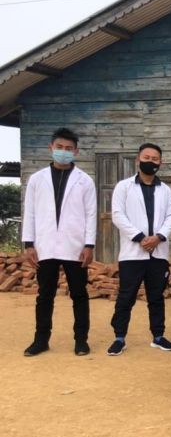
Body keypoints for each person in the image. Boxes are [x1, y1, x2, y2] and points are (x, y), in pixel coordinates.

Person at [22, 128, 97, 357]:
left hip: (75, 246)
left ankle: (81, 340)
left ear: (76, 151)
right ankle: (41, 339)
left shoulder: (85, 181)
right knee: (45, 295)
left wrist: (89, 245)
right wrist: (29, 244)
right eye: (59, 148)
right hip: (45, 246)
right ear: (51, 148)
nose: (63, 152)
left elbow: (91, 213)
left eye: (68, 149)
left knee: (79, 294)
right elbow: (31, 213)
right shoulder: (37, 179)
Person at [107, 143, 171, 356]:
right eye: (146, 157)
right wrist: (139, 238)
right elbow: (118, 214)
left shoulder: (165, 190)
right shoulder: (124, 187)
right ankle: (119, 337)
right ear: (138, 160)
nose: (150, 162)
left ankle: (158, 336)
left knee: (156, 296)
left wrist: (158, 237)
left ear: (160, 163)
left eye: (155, 159)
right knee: (126, 296)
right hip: (132, 253)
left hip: (158, 252)